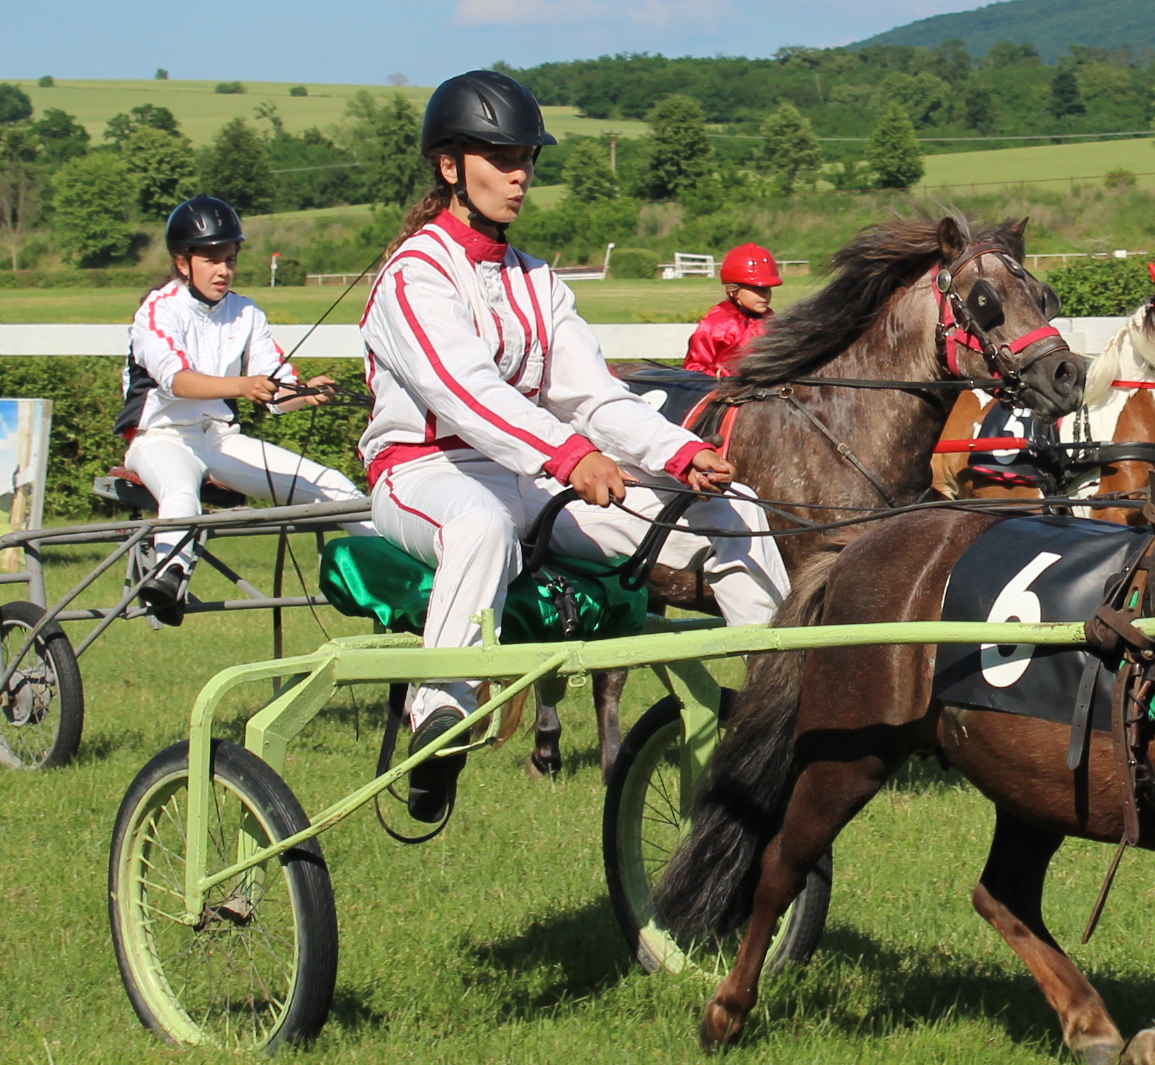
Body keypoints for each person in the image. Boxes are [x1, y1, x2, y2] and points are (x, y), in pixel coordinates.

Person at [360, 71, 789, 823]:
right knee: (480, 525)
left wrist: (678, 454)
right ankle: (440, 719)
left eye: (527, 157)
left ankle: (783, 707)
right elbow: (466, 394)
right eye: (501, 157)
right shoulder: (414, 275)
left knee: (737, 512)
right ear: (450, 165)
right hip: (423, 473)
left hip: (533, 479)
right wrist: (567, 457)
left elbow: (594, 396)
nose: (521, 174)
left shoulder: (536, 279)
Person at [122, 195, 361, 624]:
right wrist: (243, 386)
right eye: (212, 259)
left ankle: (412, 568)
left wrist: (308, 393)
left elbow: (274, 387)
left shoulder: (247, 312)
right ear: (183, 263)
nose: (223, 270)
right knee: (180, 492)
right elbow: (176, 380)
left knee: (334, 485)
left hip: (220, 440)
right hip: (159, 439)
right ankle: (168, 580)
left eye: (229, 259)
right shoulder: (157, 311)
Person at [683, 242, 782, 374]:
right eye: (756, 289)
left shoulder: (771, 320)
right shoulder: (717, 325)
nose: (764, 295)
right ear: (733, 290)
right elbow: (695, 369)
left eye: (767, 289)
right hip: (724, 392)